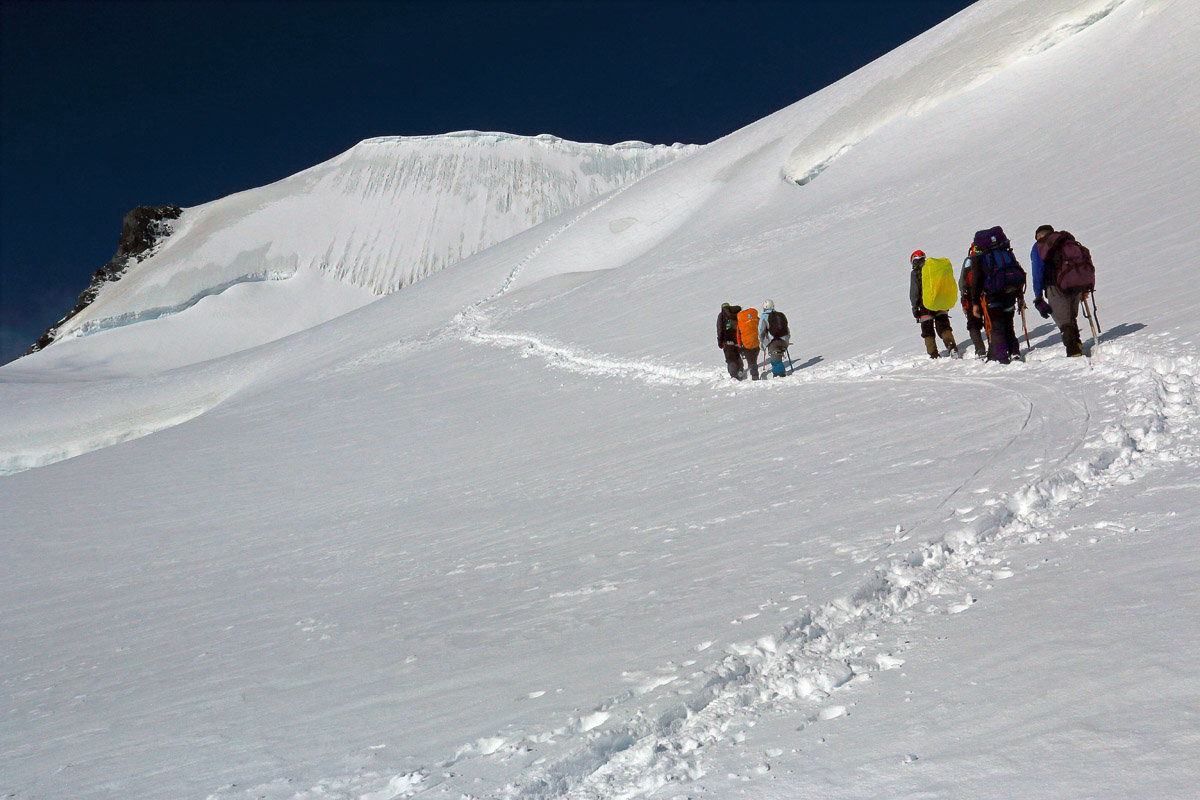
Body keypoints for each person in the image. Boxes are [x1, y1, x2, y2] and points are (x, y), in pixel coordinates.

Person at [968, 229, 1024, 364]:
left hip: (993, 296)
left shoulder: (979, 258)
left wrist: (975, 303)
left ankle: (1003, 358)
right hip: (1010, 292)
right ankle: (1015, 353)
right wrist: (1020, 295)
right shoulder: (1005, 252)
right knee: (1009, 326)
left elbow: (976, 282)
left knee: (997, 328)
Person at [1030, 224, 1084, 357]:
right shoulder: (1065, 241)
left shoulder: (1039, 247)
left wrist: (1038, 296)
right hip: (1075, 284)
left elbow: (1037, 272)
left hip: (1054, 286)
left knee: (1063, 321)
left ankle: (1074, 352)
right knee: (1071, 317)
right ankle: (1077, 345)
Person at [909, 250, 960, 358]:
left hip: (925, 305)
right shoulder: (933, 268)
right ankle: (952, 347)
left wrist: (914, 307)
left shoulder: (915, 273)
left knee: (927, 331)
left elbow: (914, 292)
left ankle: (934, 354)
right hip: (939, 301)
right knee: (944, 326)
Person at [959, 246, 988, 359]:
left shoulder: (968, 262)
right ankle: (995, 348)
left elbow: (962, 283)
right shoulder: (988, 259)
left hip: (971, 298)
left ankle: (980, 350)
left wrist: (964, 300)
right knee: (991, 323)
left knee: (973, 325)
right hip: (987, 296)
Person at [758, 299, 791, 377]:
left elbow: (761, 330)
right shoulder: (781, 315)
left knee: (776, 360)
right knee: (777, 357)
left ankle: (779, 375)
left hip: (774, 340)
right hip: (784, 340)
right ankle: (779, 372)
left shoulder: (764, 316)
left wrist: (761, 342)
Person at [716, 302, 745, 379]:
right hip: (738, 340)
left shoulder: (721, 315)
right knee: (737, 356)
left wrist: (720, 342)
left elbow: (720, 329)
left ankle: (734, 376)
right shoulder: (737, 314)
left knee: (730, 358)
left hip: (727, 340)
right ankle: (740, 371)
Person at [736, 305, 762, 381]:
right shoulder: (756, 319)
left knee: (751, 362)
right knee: (754, 359)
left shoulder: (741, 323)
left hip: (747, 344)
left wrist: (740, 346)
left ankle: (755, 377)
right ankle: (754, 375)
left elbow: (738, 336)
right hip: (756, 342)